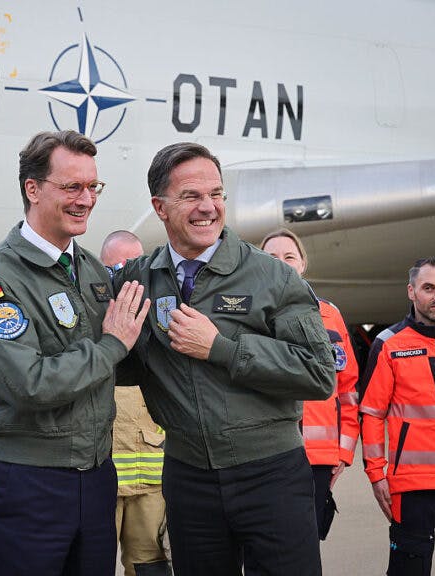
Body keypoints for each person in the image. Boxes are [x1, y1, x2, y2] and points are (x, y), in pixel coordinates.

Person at [112, 142, 336, 576]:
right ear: (160, 206)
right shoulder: (138, 277)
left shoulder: (272, 276)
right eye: (191, 196)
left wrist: (222, 348)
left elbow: (317, 372)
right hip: (188, 478)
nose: (208, 208)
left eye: (216, 194)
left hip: (270, 475)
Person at [0, 130, 151, 576]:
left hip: (97, 477)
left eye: (92, 187)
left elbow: (120, 363)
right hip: (30, 482)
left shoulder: (90, 270)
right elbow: (31, 383)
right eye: (72, 187)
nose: (86, 199)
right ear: (33, 188)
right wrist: (111, 345)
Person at [359, 256, 435, 575]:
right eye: (428, 288)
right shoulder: (389, 346)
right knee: (408, 569)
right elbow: (372, 413)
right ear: (412, 292)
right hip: (411, 486)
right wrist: (376, 474)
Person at [259, 228, 360, 540]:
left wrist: (342, 453)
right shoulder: (246, 315)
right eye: (271, 257)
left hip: (317, 459)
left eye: (289, 256)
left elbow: (347, 388)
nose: (282, 263)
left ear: (302, 263)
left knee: (304, 550)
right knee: (264, 547)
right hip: (263, 456)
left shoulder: (330, 315)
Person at [100, 230, 171, 576]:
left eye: (134, 264)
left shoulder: (163, 317)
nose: (129, 276)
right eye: (118, 268)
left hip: (153, 484)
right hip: (102, 479)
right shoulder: (91, 320)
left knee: (151, 567)